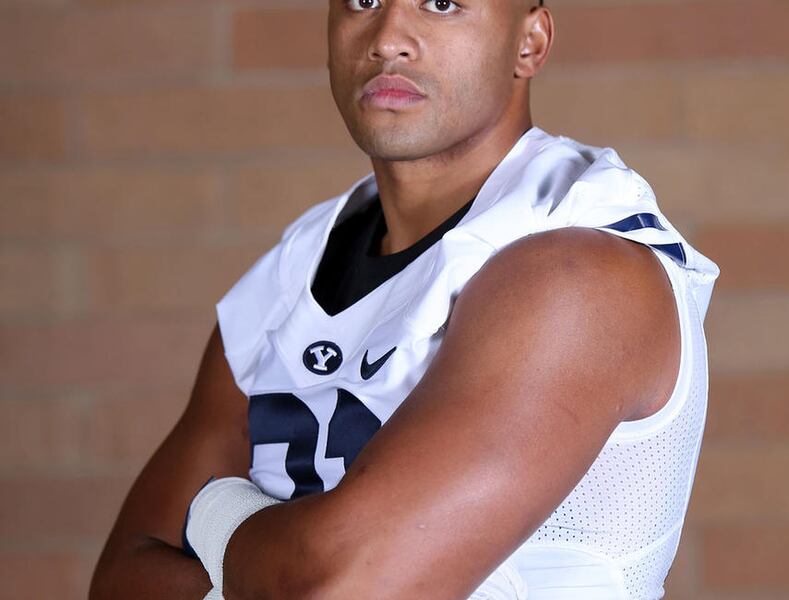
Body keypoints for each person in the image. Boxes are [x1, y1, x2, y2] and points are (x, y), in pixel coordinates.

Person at [90, 1, 720, 599]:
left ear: (530, 42)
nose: (387, 37)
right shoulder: (290, 271)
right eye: (362, 1)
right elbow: (120, 578)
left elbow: (344, 587)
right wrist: (284, 569)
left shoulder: (579, 269)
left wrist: (217, 509)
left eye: (441, 3)